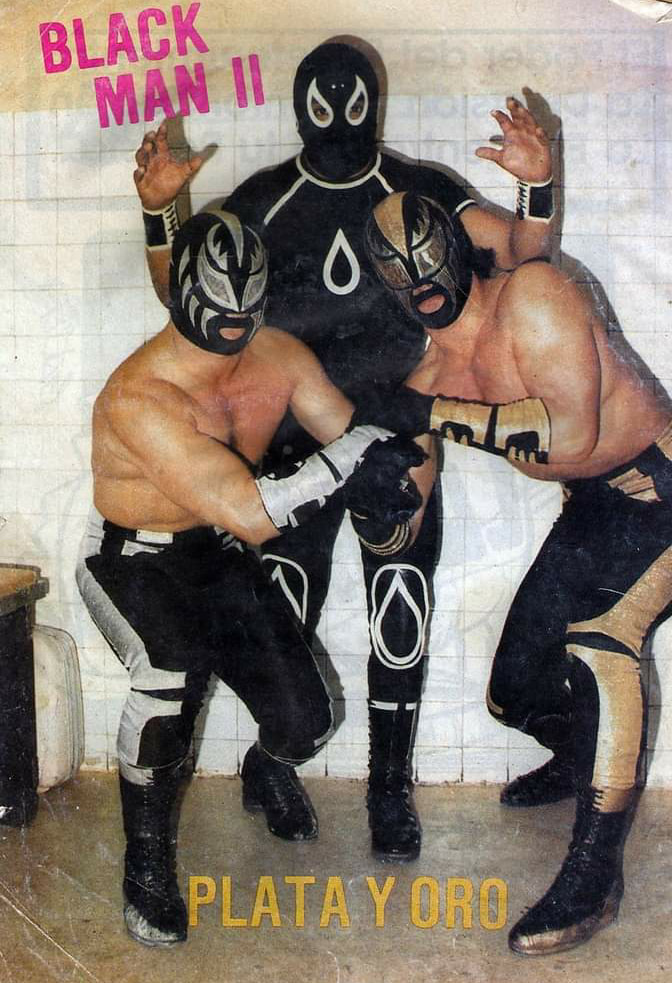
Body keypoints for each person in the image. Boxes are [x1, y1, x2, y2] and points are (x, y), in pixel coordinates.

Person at [132, 37, 556, 861]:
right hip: (294, 434)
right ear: (301, 107)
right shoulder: (266, 198)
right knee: (287, 600)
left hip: (398, 422)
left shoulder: (416, 189)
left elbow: (520, 252)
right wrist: (160, 209)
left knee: (399, 598)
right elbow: (185, 290)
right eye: (322, 102)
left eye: (348, 101)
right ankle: (273, 760)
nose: (335, 117)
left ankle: (388, 786)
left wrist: (536, 184)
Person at [357, 190, 672, 954]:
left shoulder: (534, 293)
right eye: (400, 269)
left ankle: (595, 875)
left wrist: (435, 417)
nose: (421, 279)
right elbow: (402, 521)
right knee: (514, 689)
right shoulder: (427, 376)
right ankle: (584, 759)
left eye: (428, 256)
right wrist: (375, 506)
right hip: (592, 507)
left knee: (601, 641)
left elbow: (572, 433)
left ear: (459, 246)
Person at [76, 210, 424, 947]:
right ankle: (146, 866)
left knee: (307, 720)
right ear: (183, 300)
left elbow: (349, 433)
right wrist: (356, 459)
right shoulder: (139, 394)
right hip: (132, 559)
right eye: (219, 313)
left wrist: (385, 472)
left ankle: (265, 770)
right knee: (168, 675)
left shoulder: (280, 356)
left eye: (244, 313)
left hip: (215, 553)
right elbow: (257, 513)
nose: (233, 330)